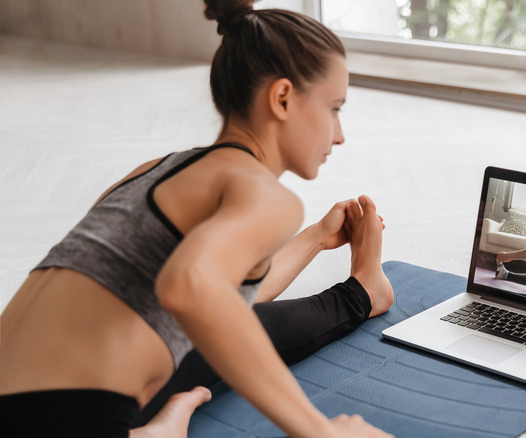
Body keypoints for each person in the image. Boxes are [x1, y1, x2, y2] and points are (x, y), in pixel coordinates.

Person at [0, 2, 394, 437]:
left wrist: (316, 238)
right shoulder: (267, 194)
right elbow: (190, 288)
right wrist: (320, 431)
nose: (340, 134)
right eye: (334, 107)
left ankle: (362, 292)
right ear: (282, 97)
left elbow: (221, 294)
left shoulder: (159, 169)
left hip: (26, 402)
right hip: (62, 419)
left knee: (225, 330)